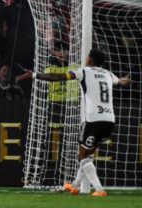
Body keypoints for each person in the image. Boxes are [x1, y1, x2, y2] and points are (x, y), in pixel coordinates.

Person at [29, 49, 133, 197]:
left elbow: (57, 77)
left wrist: (35, 75)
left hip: (93, 120)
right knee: (88, 154)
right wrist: (126, 80)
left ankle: (99, 189)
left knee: (82, 156)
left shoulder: (83, 72)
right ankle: (75, 186)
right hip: (109, 121)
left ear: (89, 59)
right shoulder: (108, 74)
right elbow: (121, 82)